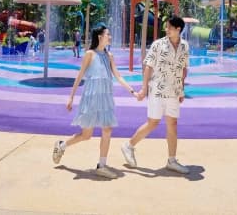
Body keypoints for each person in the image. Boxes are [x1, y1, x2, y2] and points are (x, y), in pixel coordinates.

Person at [52, 25, 138, 179]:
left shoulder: (109, 56)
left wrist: (133, 92)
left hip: (105, 98)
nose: (110, 37)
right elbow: (79, 76)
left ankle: (101, 166)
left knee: (107, 129)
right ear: (100, 37)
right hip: (91, 98)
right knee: (86, 135)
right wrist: (71, 97)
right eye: (107, 34)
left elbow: (118, 76)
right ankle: (62, 145)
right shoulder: (89, 54)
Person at [121, 16, 191, 174]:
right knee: (153, 122)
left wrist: (181, 89)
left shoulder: (185, 46)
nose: (167, 29)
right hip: (157, 90)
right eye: (167, 27)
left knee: (173, 124)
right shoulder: (158, 44)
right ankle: (128, 145)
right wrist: (144, 88)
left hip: (174, 91)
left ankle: (172, 160)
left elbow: (184, 69)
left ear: (178, 29)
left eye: (170, 27)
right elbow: (148, 67)